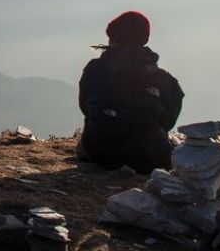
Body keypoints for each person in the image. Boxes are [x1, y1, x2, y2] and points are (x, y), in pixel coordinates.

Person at [77, 10, 184, 174]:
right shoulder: (163, 78)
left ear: (113, 39)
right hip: (151, 158)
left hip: (102, 153)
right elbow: (168, 121)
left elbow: (86, 106)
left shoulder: (96, 68)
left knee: (85, 143)